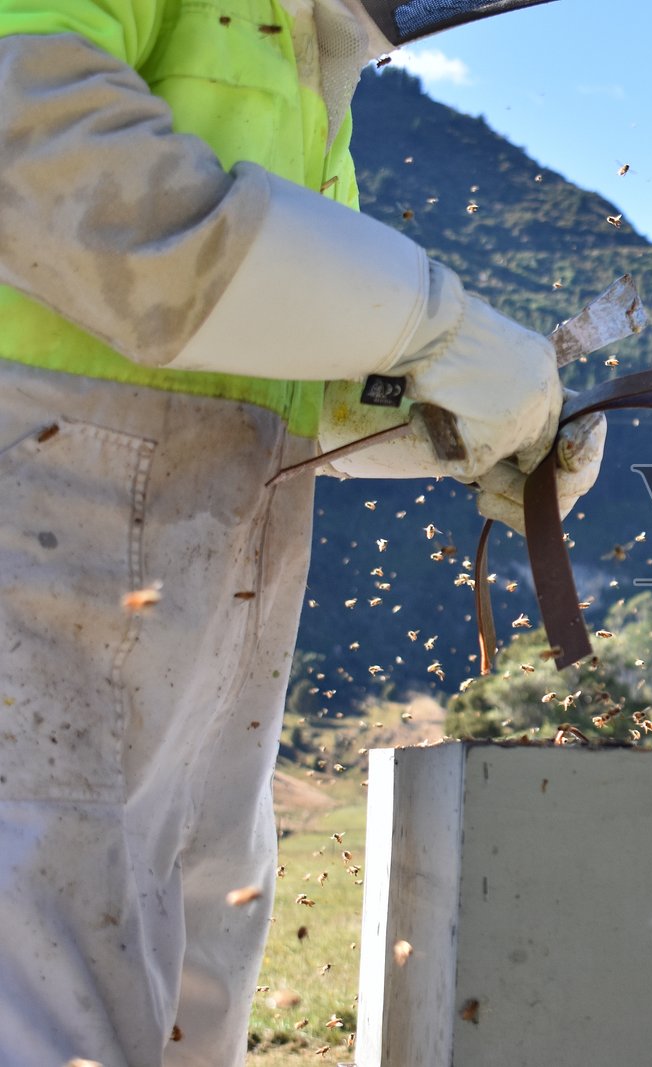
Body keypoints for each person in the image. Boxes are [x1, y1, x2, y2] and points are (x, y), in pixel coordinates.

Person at [0, 0, 598, 1062]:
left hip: (204, 602)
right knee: (40, 959)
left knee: (195, 951)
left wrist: (456, 419)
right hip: (39, 527)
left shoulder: (310, 74)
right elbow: (34, 137)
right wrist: (427, 321)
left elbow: (292, 374)